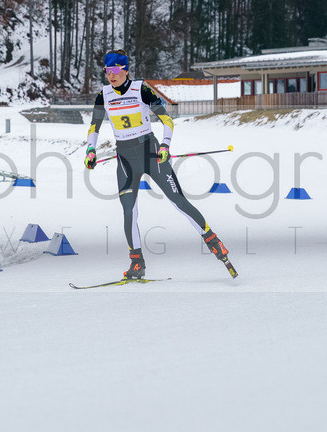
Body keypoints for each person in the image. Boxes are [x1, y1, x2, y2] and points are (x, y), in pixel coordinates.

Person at [84, 49, 230, 279]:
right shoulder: (103, 95)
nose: (110, 75)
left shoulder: (140, 90)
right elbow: (94, 126)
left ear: (125, 70)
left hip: (151, 152)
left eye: (114, 71)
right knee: (129, 211)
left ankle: (213, 241)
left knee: (177, 201)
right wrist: (90, 149)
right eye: (107, 71)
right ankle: (136, 262)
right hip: (125, 158)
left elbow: (167, 119)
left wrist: (165, 145)